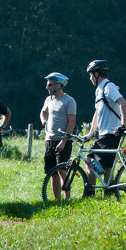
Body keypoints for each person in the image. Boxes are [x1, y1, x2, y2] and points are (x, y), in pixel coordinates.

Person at [83, 60, 126, 188]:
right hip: (103, 134)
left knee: (105, 167)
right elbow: (97, 114)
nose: (90, 78)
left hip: (111, 133)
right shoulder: (99, 90)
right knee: (90, 160)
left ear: (97, 74)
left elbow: (123, 103)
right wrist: (90, 134)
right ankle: (94, 192)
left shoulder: (109, 87)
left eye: (91, 75)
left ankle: (106, 193)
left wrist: (123, 125)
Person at [40, 72, 76, 200]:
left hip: (62, 141)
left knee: (62, 171)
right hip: (49, 140)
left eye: (50, 85)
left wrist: (63, 141)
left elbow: (72, 122)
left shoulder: (69, 100)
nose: (47, 87)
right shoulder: (48, 99)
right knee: (52, 173)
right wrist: (44, 121)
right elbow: (43, 112)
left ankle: (67, 199)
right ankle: (57, 201)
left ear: (59, 85)